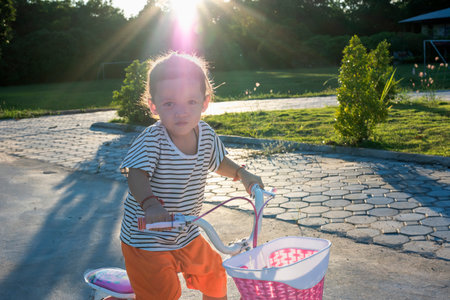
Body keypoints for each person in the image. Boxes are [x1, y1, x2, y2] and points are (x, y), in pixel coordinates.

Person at [119, 52, 264, 300]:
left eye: (190, 102)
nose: (181, 113)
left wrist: (242, 173)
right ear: (154, 106)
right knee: (162, 295)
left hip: (185, 232)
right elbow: (137, 175)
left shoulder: (205, 134)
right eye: (169, 104)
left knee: (215, 276)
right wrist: (150, 204)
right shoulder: (153, 140)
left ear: (204, 103)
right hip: (146, 239)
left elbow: (218, 162)